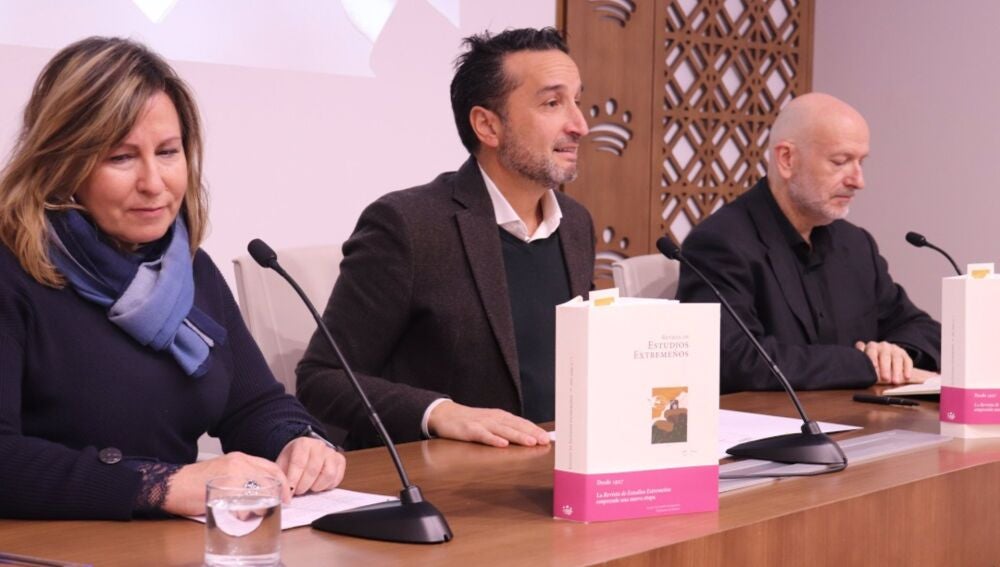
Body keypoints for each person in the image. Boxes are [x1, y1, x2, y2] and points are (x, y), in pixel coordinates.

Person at [0, 37, 345, 520]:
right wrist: (159, 485)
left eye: (167, 152)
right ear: (62, 164)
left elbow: (252, 405)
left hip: (170, 540)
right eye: (121, 158)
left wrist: (298, 441)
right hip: (45, 543)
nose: (153, 183)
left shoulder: (187, 268)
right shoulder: (11, 271)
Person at [297, 28, 594, 449]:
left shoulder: (576, 224)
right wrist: (440, 413)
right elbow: (322, 379)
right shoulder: (408, 225)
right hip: (453, 475)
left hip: (562, 463)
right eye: (552, 103)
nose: (580, 125)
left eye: (577, 101)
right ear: (488, 125)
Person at [676, 92, 940, 393]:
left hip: (857, 416)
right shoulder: (720, 243)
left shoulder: (856, 245)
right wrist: (863, 365)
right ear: (787, 159)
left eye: (861, 162)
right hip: (768, 420)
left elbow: (923, 329)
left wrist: (895, 357)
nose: (858, 180)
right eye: (840, 162)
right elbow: (735, 360)